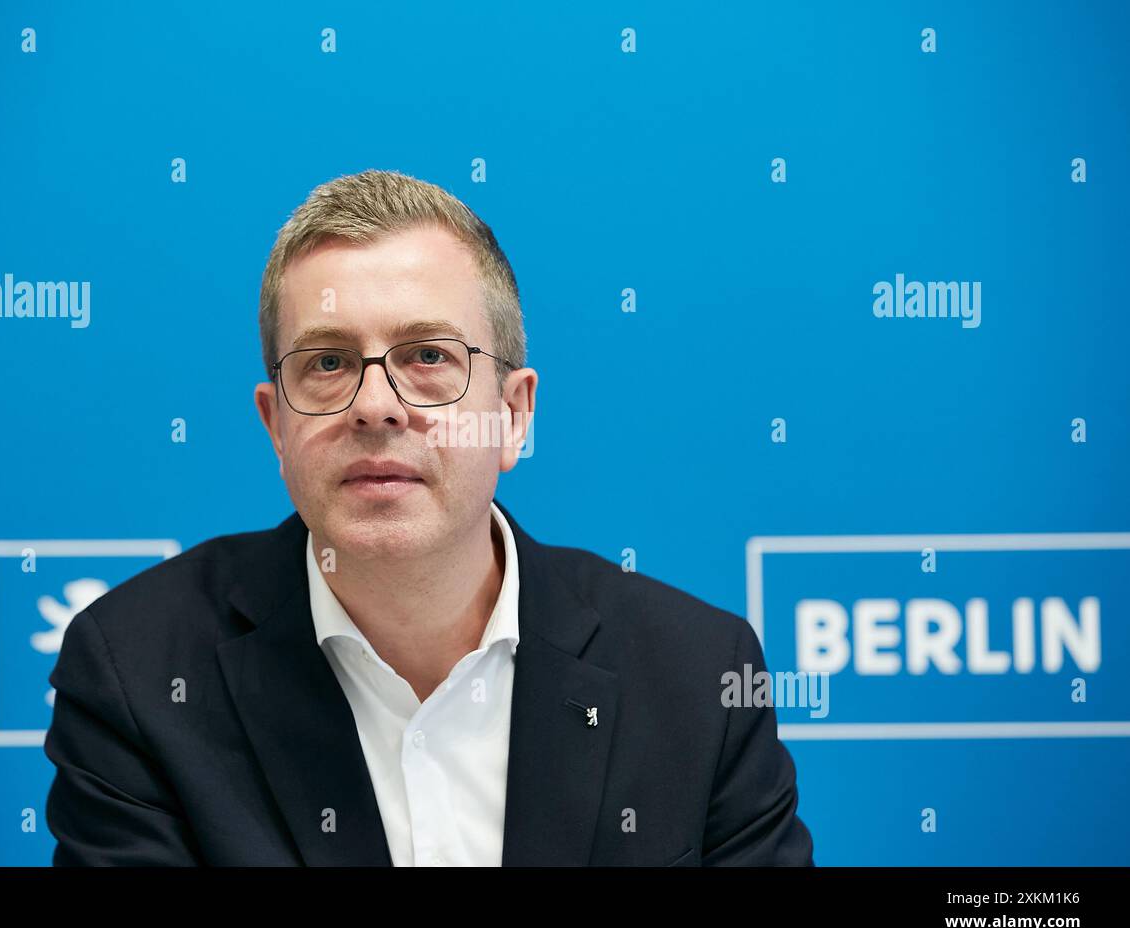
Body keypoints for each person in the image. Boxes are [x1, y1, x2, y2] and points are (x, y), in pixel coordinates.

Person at [44, 169, 813, 866]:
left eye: (427, 357)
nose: (376, 406)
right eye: (327, 362)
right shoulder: (140, 675)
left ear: (514, 415)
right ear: (276, 427)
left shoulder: (697, 677)